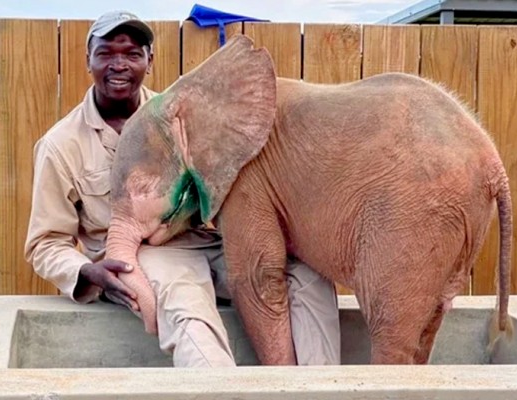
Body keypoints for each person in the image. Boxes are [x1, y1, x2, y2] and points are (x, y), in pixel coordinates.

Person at [24, 10, 341, 367]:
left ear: (149, 60)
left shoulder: (179, 115)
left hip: (209, 243)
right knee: (188, 310)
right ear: (88, 60)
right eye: (106, 53)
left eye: (131, 54)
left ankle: (320, 385)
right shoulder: (61, 145)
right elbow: (45, 243)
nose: (119, 65)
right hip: (143, 258)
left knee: (307, 274)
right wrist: (86, 272)